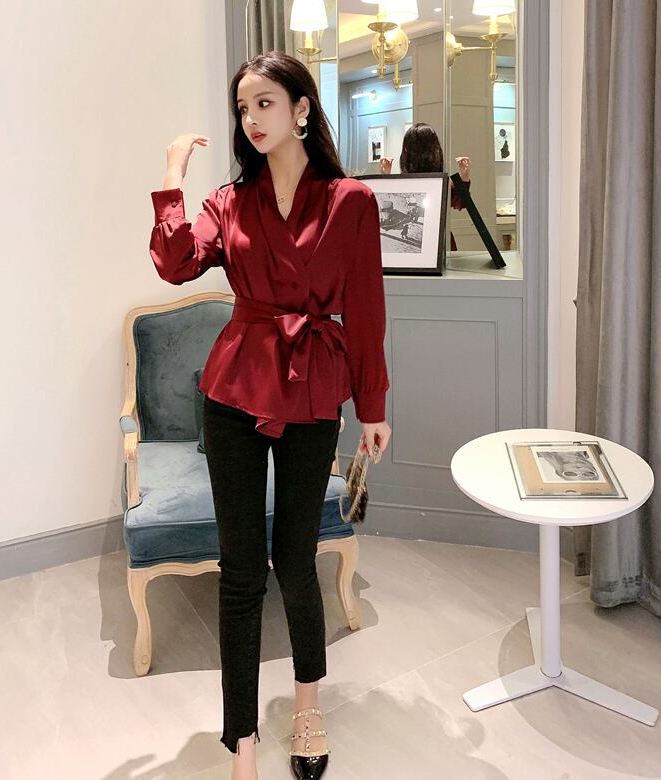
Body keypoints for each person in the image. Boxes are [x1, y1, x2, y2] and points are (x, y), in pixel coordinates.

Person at [150, 51, 391, 780]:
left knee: (296, 558)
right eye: (243, 108)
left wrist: (373, 407)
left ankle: (308, 708)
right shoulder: (229, 201)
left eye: (264, 103)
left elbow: (367, 311)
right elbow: (176, 264)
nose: (252, 119)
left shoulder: (350, 200)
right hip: (234, 390)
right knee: (241, 570)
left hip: (313, 387)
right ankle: (243, 742)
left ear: (301, 108)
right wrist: (172, 181)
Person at [379, 122, 471, 250]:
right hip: (428, 245)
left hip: (439, 244)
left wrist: (464, 178)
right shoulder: (407, 184)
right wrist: (386, 178)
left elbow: (460, 202)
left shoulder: (438, 183)